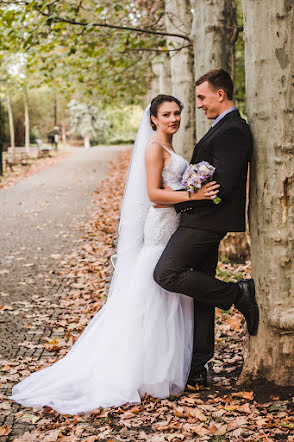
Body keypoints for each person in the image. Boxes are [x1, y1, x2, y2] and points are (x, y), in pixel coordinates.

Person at [9, 95, 219, 415]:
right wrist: (194, 194)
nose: (173, 119)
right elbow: (154, 196)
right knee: (152, 291)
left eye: (177, 113)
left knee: (168, 295)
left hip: (175, 226)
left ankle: (160, 366)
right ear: (153, 119)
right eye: (166, 114)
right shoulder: (154, 149)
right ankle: (135, 368)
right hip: (161, 226)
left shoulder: (170, 148)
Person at [154, 69, 259, 389]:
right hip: (200, 218)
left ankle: (238, 294)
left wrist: (185, 200)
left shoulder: (233, 130)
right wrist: (187, 187)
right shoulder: (221, 128)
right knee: (200, 295)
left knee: (166, 274)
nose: (198, 104)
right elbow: (205, 174)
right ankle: (198, 368)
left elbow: (222, 185)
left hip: (206, 222)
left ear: (220, 95)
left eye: (202, 97)